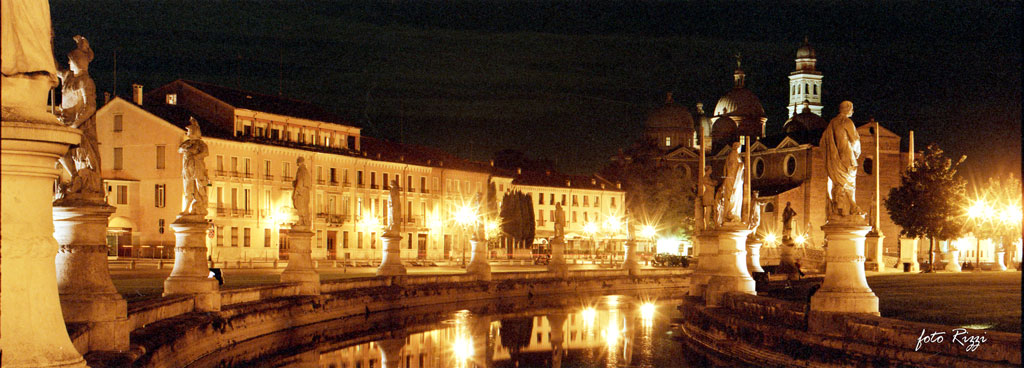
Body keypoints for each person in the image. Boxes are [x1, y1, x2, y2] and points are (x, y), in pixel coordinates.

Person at [820, 101, 863, 220]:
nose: (852, 111)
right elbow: (854, 140)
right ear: (848, 109)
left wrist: (832, 155)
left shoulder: (832, 123)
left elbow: (823, 142)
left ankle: (839, 208)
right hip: (847, 156)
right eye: (852, 109)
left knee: (839, 183)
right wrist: (856, 153)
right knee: (849, 183)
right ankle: (850, 207)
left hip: (835, 159)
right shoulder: (847, 122)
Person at [179, 118, 210, 216]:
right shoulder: (186, 144)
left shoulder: (201, 144)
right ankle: (187, 209)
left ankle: (199, 205)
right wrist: (191, 149)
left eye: (188, 130)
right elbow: (180, 149)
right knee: (187, 188)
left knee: (198, 186)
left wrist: (195, 155)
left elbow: (205, 152)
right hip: (187, 167)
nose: (187, 132)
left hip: (197, 167)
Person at [292, 157, 311, 227]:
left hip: (301, 192)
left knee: (300, 205)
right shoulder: (306, 170)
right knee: (304, 206)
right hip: (306, 192)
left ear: (299, 162)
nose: (297, 163)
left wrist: (296, 192)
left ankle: (301, 220)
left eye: (297, 162)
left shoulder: (301, 170)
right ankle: (304, 221)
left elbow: (300, 181)